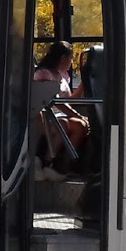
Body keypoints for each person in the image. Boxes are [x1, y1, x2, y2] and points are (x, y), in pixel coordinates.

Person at [33, 40, 90, 173]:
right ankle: (48, 162)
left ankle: (65, 164)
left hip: (60, 115)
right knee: (63, 123)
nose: (72, 62)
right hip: (45, 116)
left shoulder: (62, 75)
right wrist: (77, 115)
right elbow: (55, 101)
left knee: (81, 125)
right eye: (71, 58)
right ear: (63, 58)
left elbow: (68, 101)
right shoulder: (43, 74)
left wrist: (84, 84)